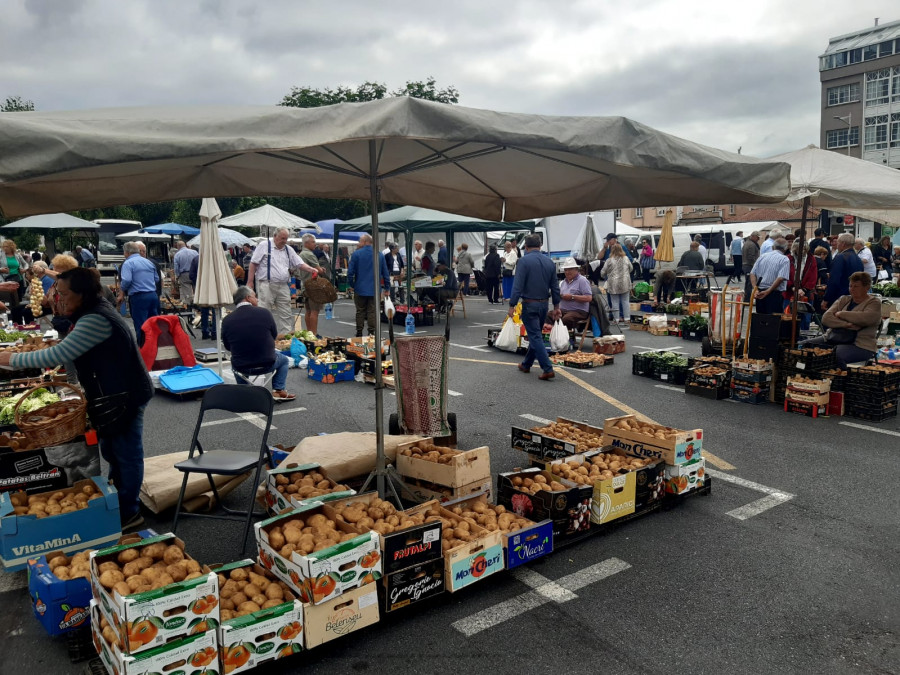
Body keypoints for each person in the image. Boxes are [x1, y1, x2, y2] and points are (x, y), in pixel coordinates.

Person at [0, 268, 152, 530]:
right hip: (111, 395)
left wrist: (10, 359)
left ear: (82, 293)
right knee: (113, 452)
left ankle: (129, 511)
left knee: (126, 455)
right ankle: (119, 505)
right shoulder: (91, 310)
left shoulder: (96, 320)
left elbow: (56, 355)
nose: (58, 297)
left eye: (64, 293)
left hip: (124, 395)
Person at [222, 286, 296, 402]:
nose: (257, 300)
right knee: (284, 360)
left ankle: (244, 391)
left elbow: (227, 346)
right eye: (255, 297)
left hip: (241, 367)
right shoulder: (264, 313)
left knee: (234, 359)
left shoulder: (227, 320)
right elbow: (273, 336)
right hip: (267, 363)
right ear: (248, 298)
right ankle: (278, 390)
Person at [248, 227, 317, 336]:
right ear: (275, 236)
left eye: (286, 239)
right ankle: (262, 336)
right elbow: (253, 263)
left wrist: (311, 269)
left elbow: (299, 263)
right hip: (267, 284)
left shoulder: (288, 249)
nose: (284, 241)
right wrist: (250, 282)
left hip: (283, 285)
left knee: (286, 313)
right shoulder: (264, 246)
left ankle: (285, 338)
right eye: (282, 238)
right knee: (264, 312)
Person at [509, 234, 560, 380]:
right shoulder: (550, 262)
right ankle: (526, 364)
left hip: (530, 303)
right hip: (544, 304)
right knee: (535, 334)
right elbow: (555, 287)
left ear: (525, 247)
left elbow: (517, 286)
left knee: (535, 335)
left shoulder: (523, 261)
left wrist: (512, 305)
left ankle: (547, 368)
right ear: (540, 246)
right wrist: (556, 306)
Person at [802, 272, 880, 368]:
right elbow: (826, 318)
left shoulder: (874, 303)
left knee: (835, 354)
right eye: (850, 286)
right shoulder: (844, 299)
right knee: (803, 346)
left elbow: (867, 318)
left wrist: (841, 314)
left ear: (867, 287)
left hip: (860, 345)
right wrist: (846, 324)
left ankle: (841, 378)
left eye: (856, 286)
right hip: (833, 338)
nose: (852, 289)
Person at [347, 234, 390, 337]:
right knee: (372, 311)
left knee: (360, 311)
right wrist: (387, 288)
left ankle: (359, 332)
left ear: (365, 241)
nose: (359, 243)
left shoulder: (356, 254)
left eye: (360, 241)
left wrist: (353, 284)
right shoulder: (379, 255)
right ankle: (371, 332)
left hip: (360, 288)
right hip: (375, 289)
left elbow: (350, 273)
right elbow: (385, 273)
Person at [117, 241, 160, 336]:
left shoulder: (128, 263)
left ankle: (143, 346)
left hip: (139, 296)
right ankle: (155, 344)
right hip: (153, 295)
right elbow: (156, 279)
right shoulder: (148, 262)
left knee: (141, 324)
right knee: (153, 322)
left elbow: (127, 280)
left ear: (127, 252)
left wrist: (123, 289)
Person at [297, 233, 327, 337]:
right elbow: (318, 270)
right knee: (315, 311)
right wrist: (322, 270)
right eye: (313, 242)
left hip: (305, 285)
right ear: (306, 243)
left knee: (308, 311)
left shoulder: (301, 254)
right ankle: (314, 334)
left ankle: (309, 333)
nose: (315, 244)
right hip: (314, 286)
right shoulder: (309, 254)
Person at [750, 239, 790, 314]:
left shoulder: (762, 256)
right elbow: (781, 277)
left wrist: (755, 288)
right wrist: (768, 291)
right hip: (774, 293)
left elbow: (752, 273)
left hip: (760, 291)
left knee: (761, 319)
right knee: (773, 320)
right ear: (786, 248)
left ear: (773, 247)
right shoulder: (784, 259)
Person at [824, 233, 864, 309]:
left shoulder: (840, 257)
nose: (837, 245)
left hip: (840, 298)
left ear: (843, 244)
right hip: (854, 297)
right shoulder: (858, 258)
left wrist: (826, 299)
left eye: (838, 242)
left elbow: (834, 280)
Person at [601, 244, 633, 322]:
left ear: (612, 250)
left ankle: (616, 319)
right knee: (625, 301)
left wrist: (604, 275)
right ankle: (627, 318)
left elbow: (603, 272)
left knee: (614, 302)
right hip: (625, 282)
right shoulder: (626, 259)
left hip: (613, 284)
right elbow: (631, 268)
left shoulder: (609, 260)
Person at [188, 254, 215, 340]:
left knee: (204, 311)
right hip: (213, 287)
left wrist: (198, 283)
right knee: (215, 310)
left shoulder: (196, 259)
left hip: (201, 289)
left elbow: (191, 275)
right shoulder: (214, 257)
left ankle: (205, 332)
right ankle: (215, 332)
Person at [558, 258, 592, 329]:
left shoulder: (582, 280)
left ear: (576, 269)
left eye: (570, 269)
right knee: (550, 315)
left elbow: (589, 298)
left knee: (566, 319)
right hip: (564, 310)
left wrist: (572, 297)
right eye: (566, 270)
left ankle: (568, 338)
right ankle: (550, 337)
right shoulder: (563, 282)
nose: (567, 272)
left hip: (578, 311)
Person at [173, 241, 199, 305]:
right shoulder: (194, 252)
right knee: (197, 289)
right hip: (195, 273)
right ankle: (198, 303)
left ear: (178, 246)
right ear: (185, 245)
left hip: (184, 274)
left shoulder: (177, 255)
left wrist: (178, 275)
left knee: (187, 291)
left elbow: (176, 267)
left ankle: (189, 305)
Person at [741, 231, 761, 299]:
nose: (758, 239)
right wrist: (755, 266)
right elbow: (751, 257)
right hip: (749, 265)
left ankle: (747, 297)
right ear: (753, 236)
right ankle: (747, 299)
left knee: (747, 283)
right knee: (749, 283)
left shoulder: (747, 243)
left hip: (745, 264)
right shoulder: (752, 245)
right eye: (757, 237)